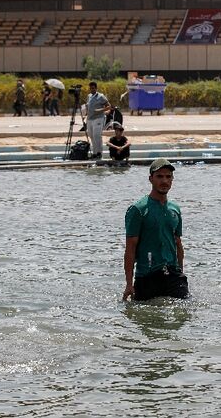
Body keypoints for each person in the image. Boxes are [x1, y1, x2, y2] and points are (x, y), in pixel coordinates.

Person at [123, 158, 188, 301]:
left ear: (172, 180)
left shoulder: (174, 209)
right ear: (150, 179)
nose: (164, 181)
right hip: (147, 276)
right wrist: (129, 284)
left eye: (168, 177)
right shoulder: (138, 210)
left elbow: (178, 243)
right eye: (159, 176)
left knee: (183, 317)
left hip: (173, 275)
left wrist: (181, 272)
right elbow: (130, 248)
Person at [85, 82, 110, 159]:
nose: (91, 90)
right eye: (90, 88)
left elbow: (109, 106)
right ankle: (94, 152)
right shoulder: (89, 96)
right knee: (91, 135)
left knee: (97, 136)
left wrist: (100, 110)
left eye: (93, 88)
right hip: (89, 118)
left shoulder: (101, 96)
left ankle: (99, 153)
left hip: (98, 118)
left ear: (96, 88)